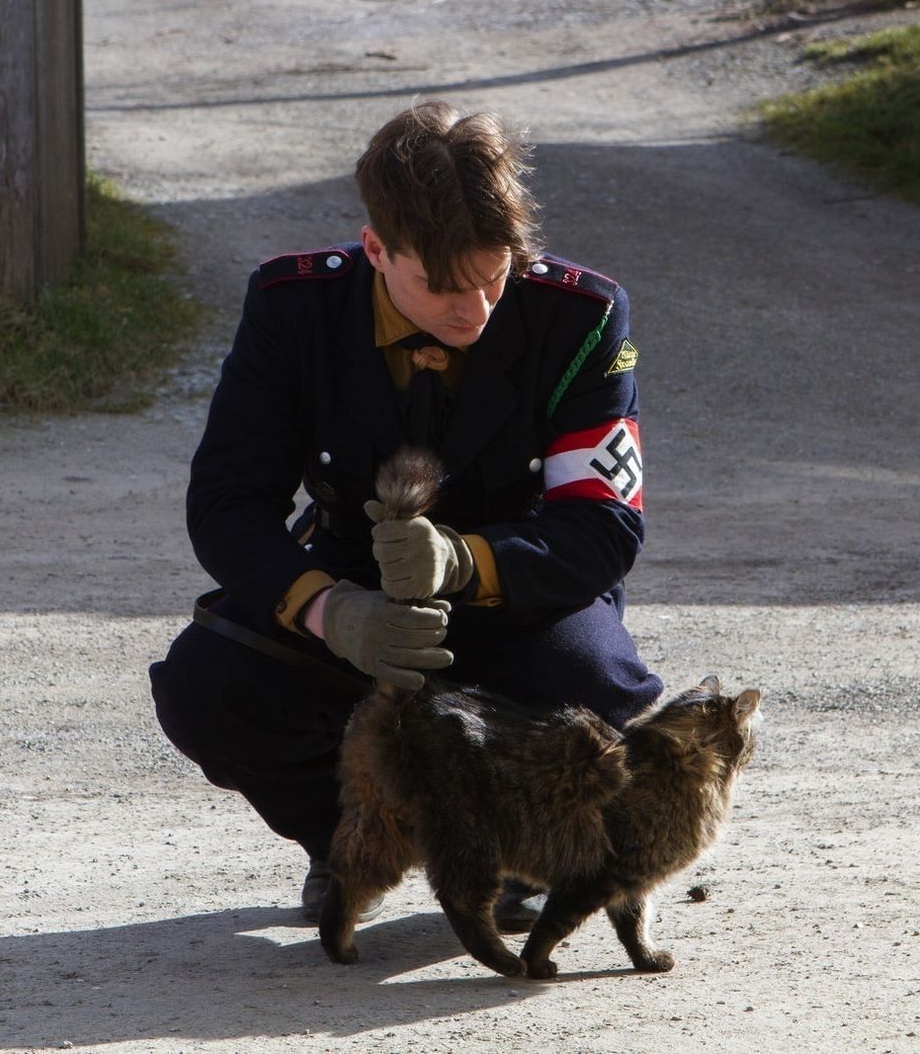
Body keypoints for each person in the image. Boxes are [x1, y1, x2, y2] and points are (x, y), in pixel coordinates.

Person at [148, 100, 663, 926]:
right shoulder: (294, 311)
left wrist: (465, 562)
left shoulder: (581, 319)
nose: (479, 312)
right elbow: (227, 504)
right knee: (207, 685)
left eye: (496, 276)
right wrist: (330, 610)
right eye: (444, 286)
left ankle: (517, 850)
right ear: (378, 248)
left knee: (600, 695)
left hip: (520, 593)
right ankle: (351, 841)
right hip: (359, 591)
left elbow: (604, 524)